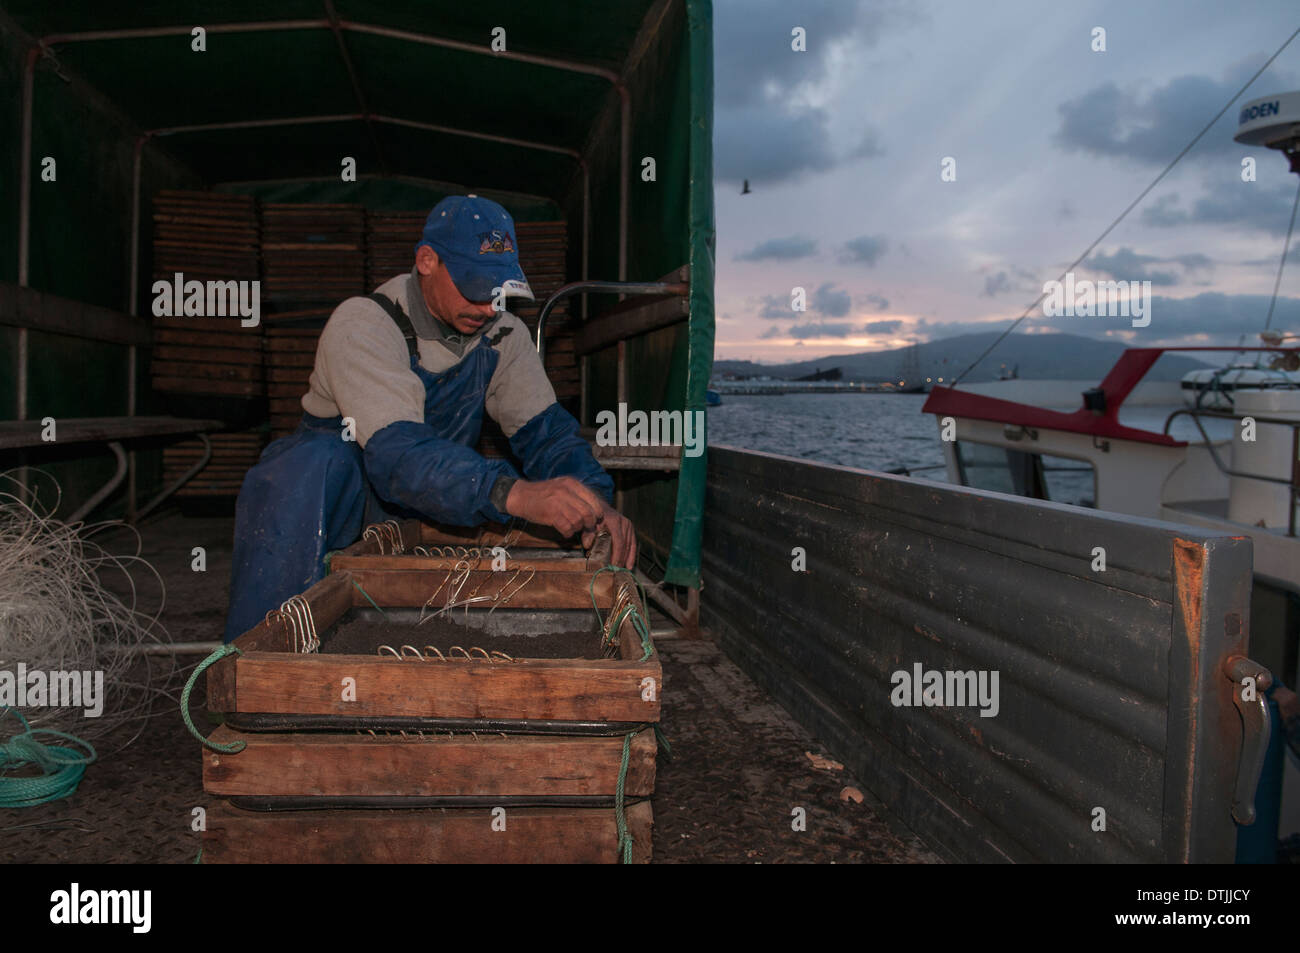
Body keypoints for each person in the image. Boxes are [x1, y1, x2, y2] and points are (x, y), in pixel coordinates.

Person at [223, 195, 634, 641]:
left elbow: (548, 437)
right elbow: (400, 456)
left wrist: (594, 502)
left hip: (435, 495)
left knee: (517, 487)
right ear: (426, 261)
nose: (488, 307)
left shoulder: (503, 335)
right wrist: (511, 494)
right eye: (474, 287)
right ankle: (255, 656)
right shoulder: (363, 324)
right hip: (339, 502)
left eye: (499, 291)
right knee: (309, 467)